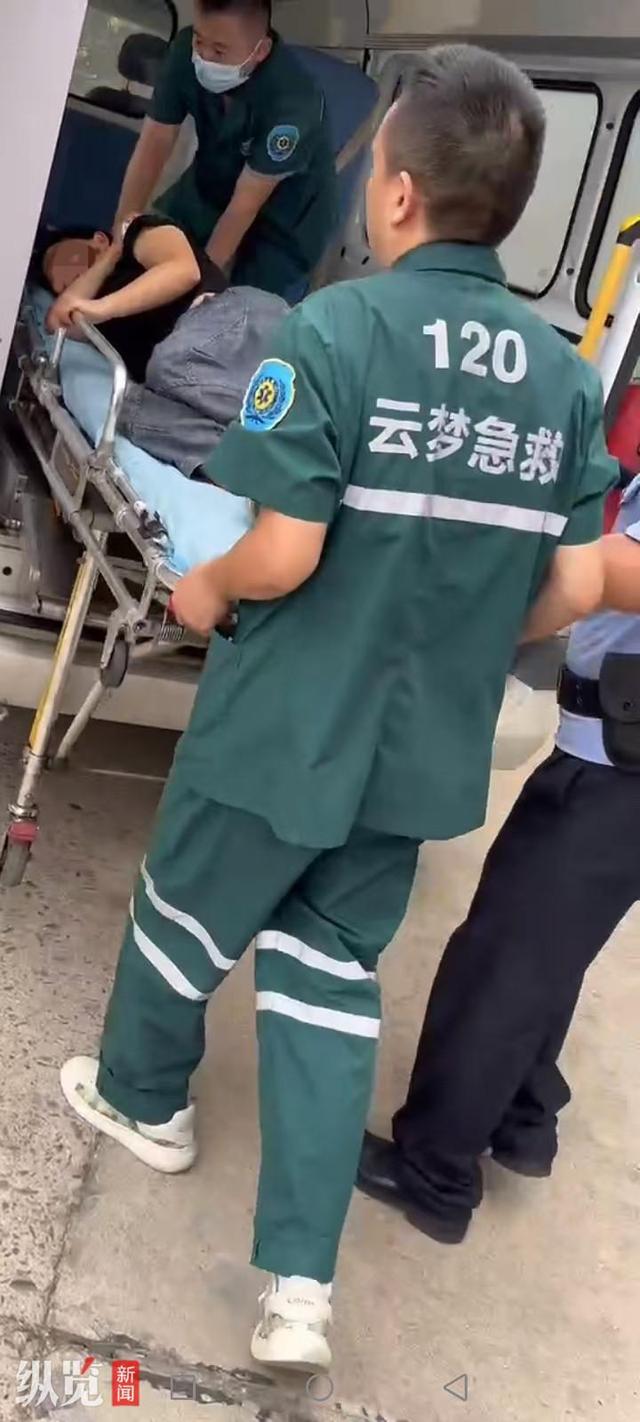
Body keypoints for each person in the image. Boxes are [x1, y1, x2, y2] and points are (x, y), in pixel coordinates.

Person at [60, 46, 615, 1371]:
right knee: (326, 982)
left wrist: (202, 587)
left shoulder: (335, 333)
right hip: (417, 753)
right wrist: (468, 633)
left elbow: (283, 552)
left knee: (184, 915)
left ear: (402, 192)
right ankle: (300, 1290)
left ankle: (144, 1099)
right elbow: (567, 587)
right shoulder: (561, 382)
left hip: (284, 724)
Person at [357, 477, 640, 1246]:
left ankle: (434, 1174)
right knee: (549, 951)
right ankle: (522, 1114)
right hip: (611, 756)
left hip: (616, 777)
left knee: (502, 964)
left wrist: (480, 596)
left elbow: (605, 575)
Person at [112, 0, 337, 300]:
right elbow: (154, 145)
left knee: (229, 306)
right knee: (148, 252)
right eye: (199, 41)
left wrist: (199, 286)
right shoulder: (185, 52)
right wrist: (121, 233)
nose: (203, 57)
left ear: (260, 51)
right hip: (211, 184)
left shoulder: (294, 102)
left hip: (282, 220)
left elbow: (244, 206)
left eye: (219, 51)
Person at [39, 215, 227, 384]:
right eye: (58, 285)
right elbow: (57, 322)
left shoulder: (135, 235)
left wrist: (113, 254)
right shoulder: (92, 318)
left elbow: (184, 271)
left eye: (61, 257)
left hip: (220, 323)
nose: (60, 272)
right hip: (186, 376)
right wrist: (103, 267)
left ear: (99, 239)